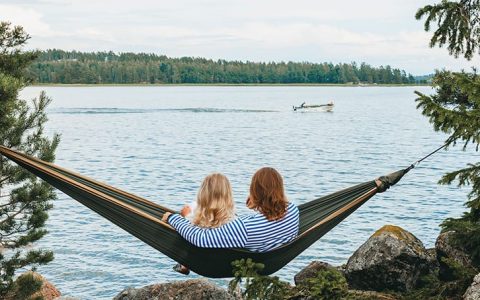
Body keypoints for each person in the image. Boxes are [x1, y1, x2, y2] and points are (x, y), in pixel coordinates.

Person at [162, 167, 299, 255]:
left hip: (241, 256)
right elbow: (270, 220)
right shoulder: (293, 210)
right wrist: (259, 203)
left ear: (254, 191)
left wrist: (174, 218)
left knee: (198, 219)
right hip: (274, 255)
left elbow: (200, 238)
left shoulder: (243, 228)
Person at [172, 173, 235, 275]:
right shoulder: (233, 220)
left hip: (198, 254)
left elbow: (189, 231)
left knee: (184, 228)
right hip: (221, 259)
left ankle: (184, 263)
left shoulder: (194, 210)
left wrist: (185, 216)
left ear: (203, 192)